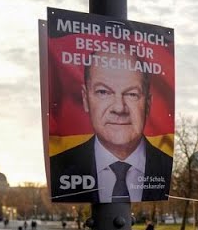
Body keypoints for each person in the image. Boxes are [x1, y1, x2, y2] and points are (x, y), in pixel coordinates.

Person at [49, 51, 173, 203]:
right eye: (103, 92)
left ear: (148, 104)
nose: (119, 108)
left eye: (132, 94)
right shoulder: (58, 167)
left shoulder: (168, 169)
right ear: (85, 98)